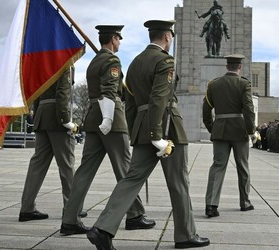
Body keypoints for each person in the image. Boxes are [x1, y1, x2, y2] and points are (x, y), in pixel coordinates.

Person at [85, 20, 209, 249]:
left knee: (131, 179)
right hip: (167, 128)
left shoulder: (134, 63)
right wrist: (157, 135)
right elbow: (160, 98)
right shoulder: (165, 61)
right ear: (168, 37)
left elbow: (129, 103)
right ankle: (185, 235)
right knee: (179, 182)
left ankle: (102, 228)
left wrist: (138, 131)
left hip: (143, 126)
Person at [61, 25, 155, 236]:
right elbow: (109, 92)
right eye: (119, 39)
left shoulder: (95, 62)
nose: (120, 43)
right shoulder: (112, 61)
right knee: (126, 170)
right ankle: (135, 215)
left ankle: (69, 219)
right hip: (110, 120)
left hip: (93, 118)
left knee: (85, 171)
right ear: (113, 39)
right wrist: (109, 118)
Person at [18, 67, 83, 223]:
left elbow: (37, 93)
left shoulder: (44, 63)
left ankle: (27, 208)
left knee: (37, 166)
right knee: (67, 165)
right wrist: (66, 120)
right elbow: (63, 93)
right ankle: (71, 208)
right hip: (57, 118)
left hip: (42, 116)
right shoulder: (64, 63)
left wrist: (38, 116)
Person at [202, 54, 256, 218]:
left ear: (227, 66)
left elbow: (206, 110)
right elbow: (248, 109)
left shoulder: (214, 84)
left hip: (220, 130)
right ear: (239, 67)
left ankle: (211, 205)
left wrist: (213, 128)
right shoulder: (244, 84)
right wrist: (251, 131)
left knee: (218, 166)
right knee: (243, 167)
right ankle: (245, 202)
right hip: (239, 131)